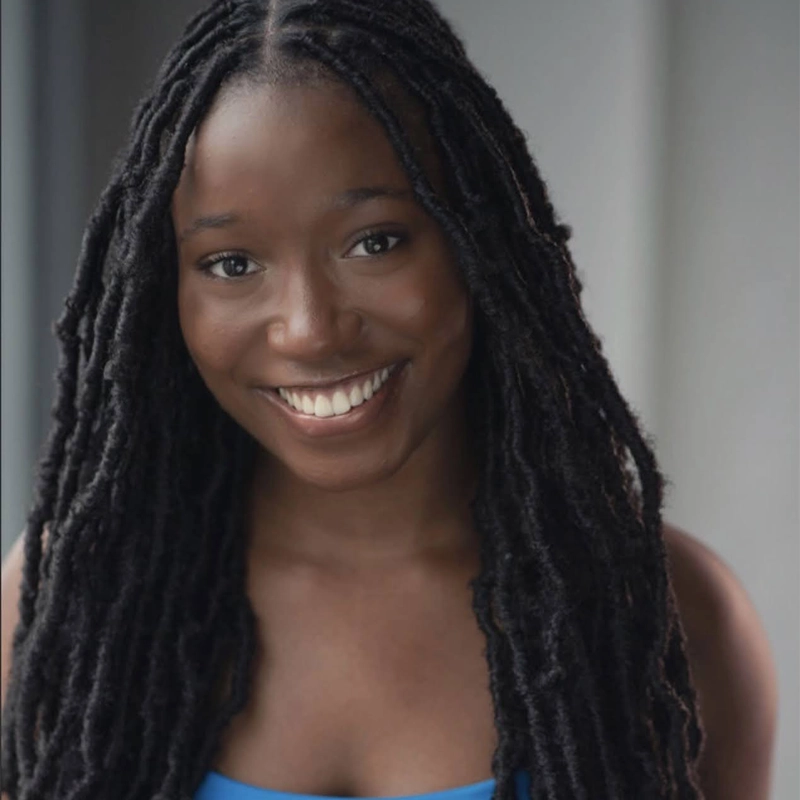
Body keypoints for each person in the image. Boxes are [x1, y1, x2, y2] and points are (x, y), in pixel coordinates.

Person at [0, 1, 778, 798]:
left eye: (376, 241)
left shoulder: (669, 616)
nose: (309, 330)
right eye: (232, 263)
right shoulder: (68, 599)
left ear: (480, 242)